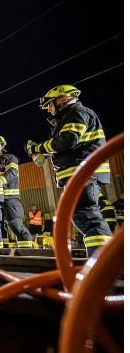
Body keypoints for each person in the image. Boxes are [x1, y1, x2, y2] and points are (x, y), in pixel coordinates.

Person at [26, 85, 112, 250]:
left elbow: (68, 140)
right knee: (83, 215)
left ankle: (102, 262)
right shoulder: (70, 117)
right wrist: (46, 154)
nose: (49, 109)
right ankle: (101, 260)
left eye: (50, 104)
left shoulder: (77, 114)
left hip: (83, 173)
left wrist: (38, 148)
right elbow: (70, 146)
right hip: (79, 174)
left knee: (88, 215)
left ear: (63, 99)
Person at [0, 135, 31, 248]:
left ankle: (27, 251)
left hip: (10, 197)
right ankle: (3, 251)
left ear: (2, 146)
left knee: (15, 225)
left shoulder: (10, 158)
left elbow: (12, 172)